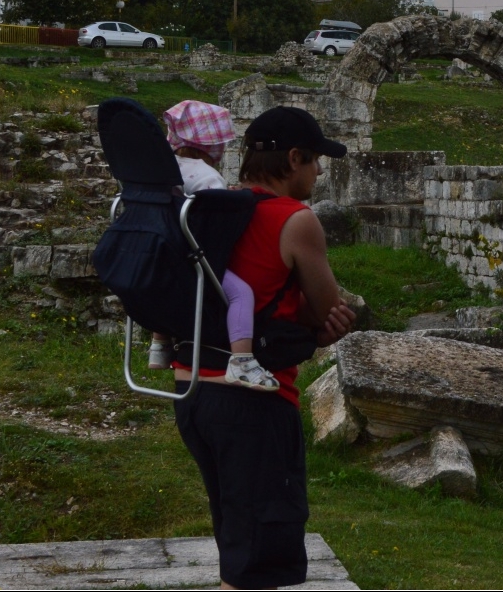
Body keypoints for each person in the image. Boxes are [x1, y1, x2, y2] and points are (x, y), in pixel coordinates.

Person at [171, 105, 355, 590]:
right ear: (293, 158)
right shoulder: (295, 219)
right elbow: (327, 309)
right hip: (253, 403)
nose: (319, 172)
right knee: (261, 560)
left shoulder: (212, 207)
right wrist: (317, 323)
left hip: (191, 390)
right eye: (315, 159)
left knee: (239, 543)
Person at [151, 100, 278, 392]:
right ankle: (242, 361)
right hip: (191, 259)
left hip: (161, 256)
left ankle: (159, 345)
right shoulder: (206, 175)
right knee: (241, 293)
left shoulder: (162, 168)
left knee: (165, 290)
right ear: (209, 143)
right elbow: (216, 219)